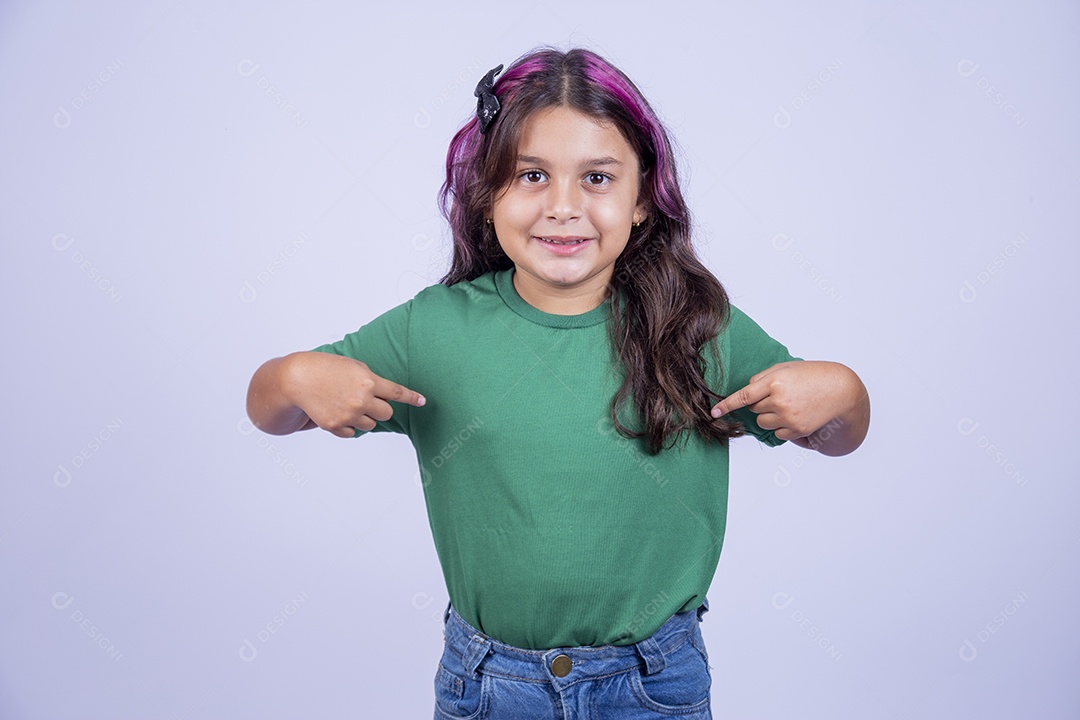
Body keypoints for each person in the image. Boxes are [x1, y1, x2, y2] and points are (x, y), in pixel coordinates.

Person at [246, 46, 869, 719]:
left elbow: (835, 435)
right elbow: (271, 410)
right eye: (532, 175)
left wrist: (844, 394)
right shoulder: (433, 328)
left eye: (597, 177)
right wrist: (292, 378)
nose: (563, 207)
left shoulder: (696, 325)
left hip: (653, 685)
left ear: (642, 199)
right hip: (488, 686)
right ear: (487, 194)